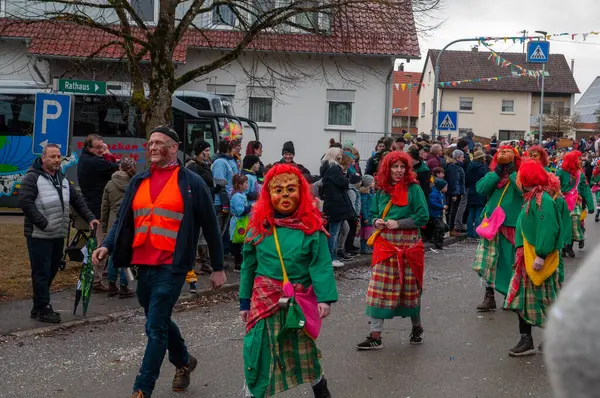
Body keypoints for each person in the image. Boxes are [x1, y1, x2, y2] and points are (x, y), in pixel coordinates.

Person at [92, 126, 226, 398]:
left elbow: (211, 227)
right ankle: (184, 361)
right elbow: (122, 220)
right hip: (143, 265)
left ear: (174, 148)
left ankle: (142, 388)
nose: (152, 147)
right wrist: (106, 245)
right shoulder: (138, 181)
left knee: (154, 327)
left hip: (173, 266)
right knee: (159, 321)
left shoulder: (191, 183)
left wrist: (219, 268)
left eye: (159, 143)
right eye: (150, 143)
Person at [239, 164, 338, 398]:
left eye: (291, 189)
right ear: (268, 194)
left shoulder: (311, 229)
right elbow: (248, 267)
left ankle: (317, 382)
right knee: (258, 348)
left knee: (301, 347)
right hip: (263, 300)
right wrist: (244, 302)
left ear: (301, 193)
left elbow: (320, 264)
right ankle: (255, 392)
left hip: (298, 301)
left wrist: (324, 299)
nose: (284, 195)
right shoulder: (258, 228)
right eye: (278, 190)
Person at [357, 151, 429, 350]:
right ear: (387, 169)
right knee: (378, 290)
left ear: (407, 168)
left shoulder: (414, 189)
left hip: (409, 247)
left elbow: (423, 216)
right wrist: (376, 221)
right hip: (385, 247)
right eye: (394, 167)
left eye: (402, 167)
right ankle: (375, 336)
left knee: (410, 290)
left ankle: (417, 328)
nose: (398, 171)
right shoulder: (381, 190)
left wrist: (399, 223)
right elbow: (373, 213)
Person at [19, 144, 98, 323]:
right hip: (39, 235)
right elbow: (25, 202)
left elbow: (77, 200)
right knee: (41, 272)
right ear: (43, 158)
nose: (56, 160)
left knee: (52, 269)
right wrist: (43, 223)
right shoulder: (33, 178)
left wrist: (90, 217)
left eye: (59, 157)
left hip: (58, 234)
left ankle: (38, 305)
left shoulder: (61, 178)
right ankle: (44, 308)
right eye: (53, 157)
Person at [504, 160, 563, 357]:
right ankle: (526, 339)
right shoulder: (532, 198)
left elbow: (549, 230)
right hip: (527, 257)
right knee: (523, 301)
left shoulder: (542, 200)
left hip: (537, 258)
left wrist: (541, 255)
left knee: (544, 300)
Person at [472, 146, 523, 312]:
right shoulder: (494, 174)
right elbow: (480, 189)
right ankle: (489, 295)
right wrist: (497, 173)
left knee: (509, 262)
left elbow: (524, 191)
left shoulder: (520, 175)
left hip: (511, 225)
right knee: (488, 261)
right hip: (492, 225)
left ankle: (511, 296)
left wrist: (513, 173)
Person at [77, 134, 119, 291]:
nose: (101, 150)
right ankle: (95, 281)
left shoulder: (88, 159)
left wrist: (105, 152)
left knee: (98, 243)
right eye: (98, 148)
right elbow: (114, 166)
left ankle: (96, 278)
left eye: (103, 146)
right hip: (96, 209)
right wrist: (108, 153)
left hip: (95, 207)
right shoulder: (93, 162)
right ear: (89, 148)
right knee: (100, 244)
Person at [100, 157, 137, 298]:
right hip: (128, 223)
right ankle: (124, 286)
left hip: (112, 222)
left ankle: (111, 285)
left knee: (113, 255)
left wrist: (104, 227)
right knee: (126, 255)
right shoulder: (133, 184)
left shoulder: (110, 184)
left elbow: (105, 207)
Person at [186, 139, 221, 280]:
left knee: (203, 237)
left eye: (208, 150)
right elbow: (197, 187)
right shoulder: (193, 166)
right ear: (199, 152)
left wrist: (215, 188)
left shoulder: (206, 165)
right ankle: (191, 265)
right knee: (194, 236)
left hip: (206, 202)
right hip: (195, 206)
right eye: (205, 151)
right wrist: (213, 189)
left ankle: (204, 263)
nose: (208, 153)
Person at [320, 148, 354, 268]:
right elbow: (344, 184)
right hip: (336, 204)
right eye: (339, 154)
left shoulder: (326, 167)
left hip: (333, 203)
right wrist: (346, 176)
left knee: (335, 231)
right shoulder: (334, 168)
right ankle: (332, 257)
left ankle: (332, 256)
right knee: (334, 232)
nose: (341, 156)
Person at [556, 151, 594, 257]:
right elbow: (554, 187)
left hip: (575, 201)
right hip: (562, 201)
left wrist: (590, 205)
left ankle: (570, 246)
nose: (581, 161)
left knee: (574, 220)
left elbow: (585, 189)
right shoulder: (560, 172)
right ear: (572, 160)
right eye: (578, 159)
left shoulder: (580, 175)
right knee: (562, 224)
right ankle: (563, 246)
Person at [465, 150, 488, 239]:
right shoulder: (483, 168)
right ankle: (477, 233)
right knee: (479, 212)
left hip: (471, 190)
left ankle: (470, 233)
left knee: (471, 213)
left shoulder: (469, 166)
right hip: (480, 191)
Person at [229, 174, 250, 272]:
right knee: (237, 242)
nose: (247, 185)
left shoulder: (242, 195)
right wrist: (251, 207)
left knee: (241, 241)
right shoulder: (237, 196)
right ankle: (237, 264)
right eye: (246, 183)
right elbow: (239, 211)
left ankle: (240, 263)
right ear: (240, 185)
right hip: (238, 222)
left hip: (243, 221)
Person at [445, 150, 466, 236]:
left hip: (457, 191)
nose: (463, 159)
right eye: (462, 157)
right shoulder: (454, 167)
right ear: (457, 157)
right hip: (454, 192)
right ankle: (450, 229)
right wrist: (454, 193)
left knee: (454, 210)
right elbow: (453, 180)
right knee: (452, 211)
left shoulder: (457, 166)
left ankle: (451, 228)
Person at [429, 178, 447, 250]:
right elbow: (433, 203)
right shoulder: (434, 194)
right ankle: (438, 242)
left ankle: (435, 239)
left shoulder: (440, 193)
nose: (446, 188)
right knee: (440, 227)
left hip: (439, 213)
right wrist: (442, 207)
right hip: (434, 214)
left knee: (444, 227)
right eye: (445, 187)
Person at [359, 175, 375, 254]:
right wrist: (365, 217)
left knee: (369, 232)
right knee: (366, 233)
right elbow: (364, 206)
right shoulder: (365, 194)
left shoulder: (370, 192)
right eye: (372, 181)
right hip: (367, 217)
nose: (374, 183)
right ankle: (364, 248)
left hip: (370, 216)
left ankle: (368, 247)